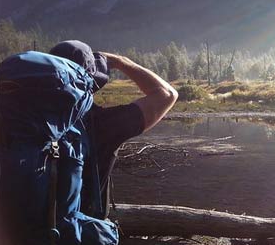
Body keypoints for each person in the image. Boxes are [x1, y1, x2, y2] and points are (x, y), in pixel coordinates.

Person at [48, 40, 179, 217]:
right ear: (92, 78)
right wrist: (121, 61)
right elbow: (167, 94)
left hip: (17, 237)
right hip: (80, 237)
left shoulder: (18, 120)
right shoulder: (102, 124)